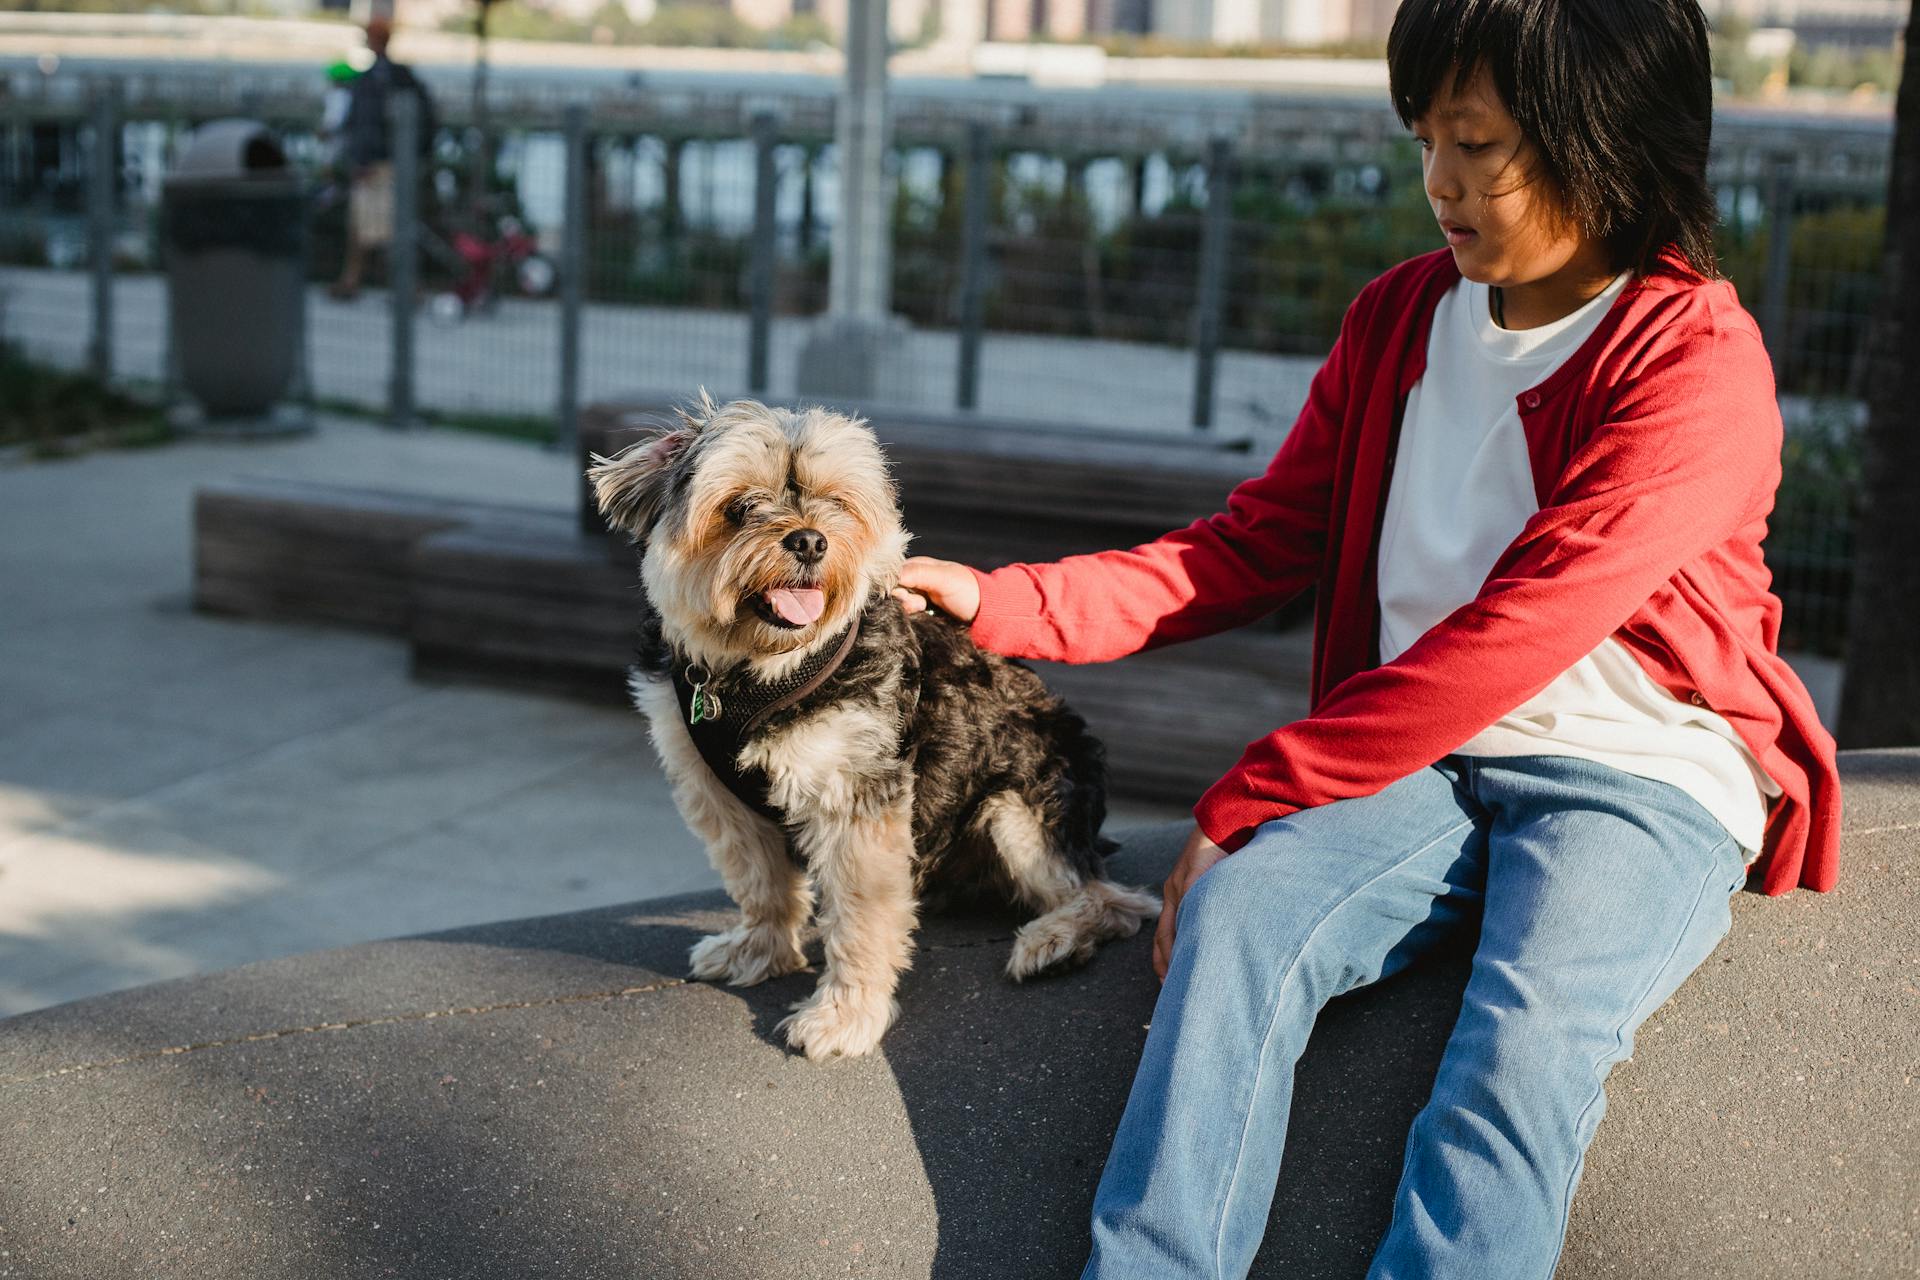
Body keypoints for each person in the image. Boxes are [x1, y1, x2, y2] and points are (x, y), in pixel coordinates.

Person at [893, 0, 1842, 1275]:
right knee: (1234, 924)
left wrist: (1258, 785)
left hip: (1641, 774)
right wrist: (1005, 601)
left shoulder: (1695, 361)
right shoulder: (1400, 318)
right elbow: (1249, 544)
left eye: (1480, 148)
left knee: (1526, 1039)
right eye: (1426, 142)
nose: (1440, 185)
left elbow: (1520, 629)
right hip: (1423, 760)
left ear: (1606, 141)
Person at [329, 16, 435, 301]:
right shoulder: (377, 78)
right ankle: (359, 282)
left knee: (389, 228)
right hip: (373, 163)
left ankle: (405, 287)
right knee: (366, 227)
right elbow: (357, 123)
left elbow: (368, 123)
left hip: (386, 164)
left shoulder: (393, 78)